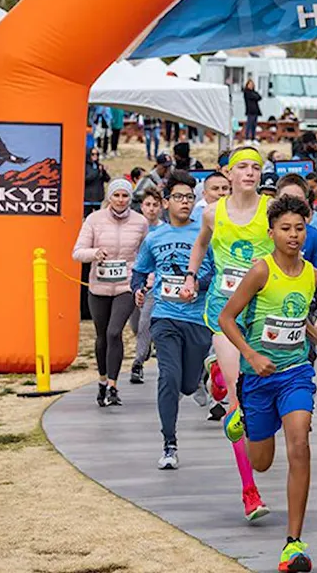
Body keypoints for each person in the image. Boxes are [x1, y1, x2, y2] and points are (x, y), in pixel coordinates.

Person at [219, 195, 317, 573]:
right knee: (262, 462)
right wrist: (251, 357)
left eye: (299, 228)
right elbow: (227, 318)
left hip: (294, 373)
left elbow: (296, 316)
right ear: (271, 233)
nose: (293, 235)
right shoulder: (260, 271)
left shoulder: (311, 275)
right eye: (285, 229)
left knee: (299, 441)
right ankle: (240, 424)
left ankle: (293, 542)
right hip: (258, 378)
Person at [182, 146, 274, 522]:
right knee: (239, 401)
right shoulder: (211, 212)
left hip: (264, 309)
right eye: (243, 168)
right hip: (225, 311)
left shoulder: (272, 208)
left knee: (262, 398)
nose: (249, 173)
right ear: (229, 174)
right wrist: (191, 276)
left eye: (256, 167)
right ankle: (249, 492)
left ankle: (218, 373)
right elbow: (201, 242)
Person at [130, 172, 215, 469]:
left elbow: (216, 273)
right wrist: (138, 289)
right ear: (166, 202)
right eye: (179, 197)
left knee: (188, 384)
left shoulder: (205, 234)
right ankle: (169, 443)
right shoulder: (155, 238)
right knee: (168, 377)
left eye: (190, 198)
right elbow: (139, 271)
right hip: (165, 316)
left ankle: (198, 381)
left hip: (197, 318)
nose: (185, 203)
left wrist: (196, 285)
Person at [73, 179, 149, 408]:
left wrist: (145, 281)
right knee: (102, 336)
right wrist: (94, 253)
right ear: (109, 197)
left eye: (125, 196)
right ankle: (102, 381)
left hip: (126, 284)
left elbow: (146, 256)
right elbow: (77, 252)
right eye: (116, 196)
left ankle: (114, 386)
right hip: (99, 286)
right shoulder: (94, 220)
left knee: (114, 332)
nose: (120, 200)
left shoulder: (140, 222)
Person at [128, 189, 165, 384]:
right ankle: (145, 348)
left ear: (161, 207)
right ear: (141, 207)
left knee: (145, 324)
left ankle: (138, 362)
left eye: (155, 205)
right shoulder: (134, 228)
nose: (151, 209)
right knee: (136, 325)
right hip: (134, 280)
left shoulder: (164, 230)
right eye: (147, 205)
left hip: (155, 284)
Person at [84, 148, 109, 218]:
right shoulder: (85, 166)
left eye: (97, 154)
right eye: (93, 154)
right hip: (88, 197)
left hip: (98, 197)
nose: (95, 156)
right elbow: (86, 179)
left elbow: (107, 179)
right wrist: (97, 171)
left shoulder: (99, 165)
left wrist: (103, 171)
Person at [243, 74, 262, 142]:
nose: (251, 86)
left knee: (254, 125)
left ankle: (253, 138)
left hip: (256, 111)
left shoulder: (254, 92)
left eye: (252, 84)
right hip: (250, 111)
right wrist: (255, 96)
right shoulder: (246, 92)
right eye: (250, 84)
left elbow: (259, 97)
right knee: (249, 125)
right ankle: (247, 138)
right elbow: (254, 97)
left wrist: (255, 95)